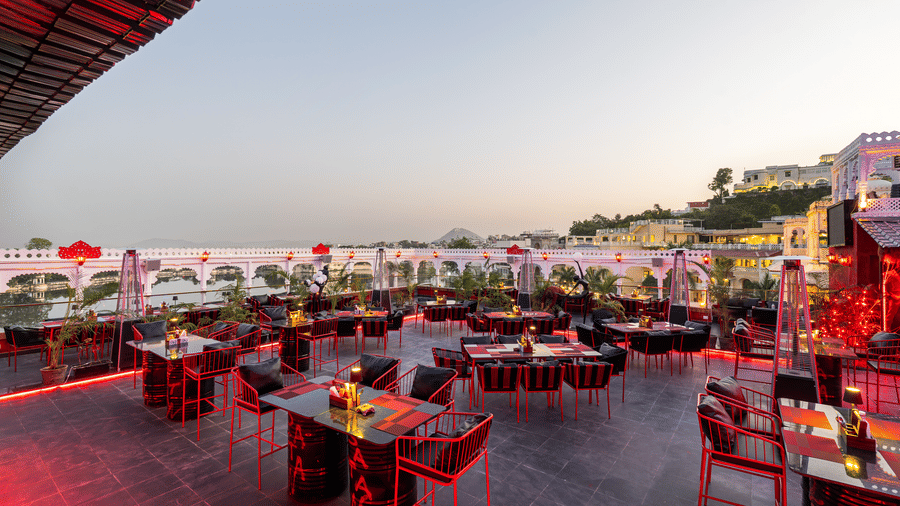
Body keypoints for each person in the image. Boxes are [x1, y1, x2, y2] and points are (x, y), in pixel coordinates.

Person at [883, 255, 900, 333]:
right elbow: (883, 283)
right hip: (894, 297)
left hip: (897, 296)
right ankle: (887, 329)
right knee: (890, 314)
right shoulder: (889, 274)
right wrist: (887, 294)